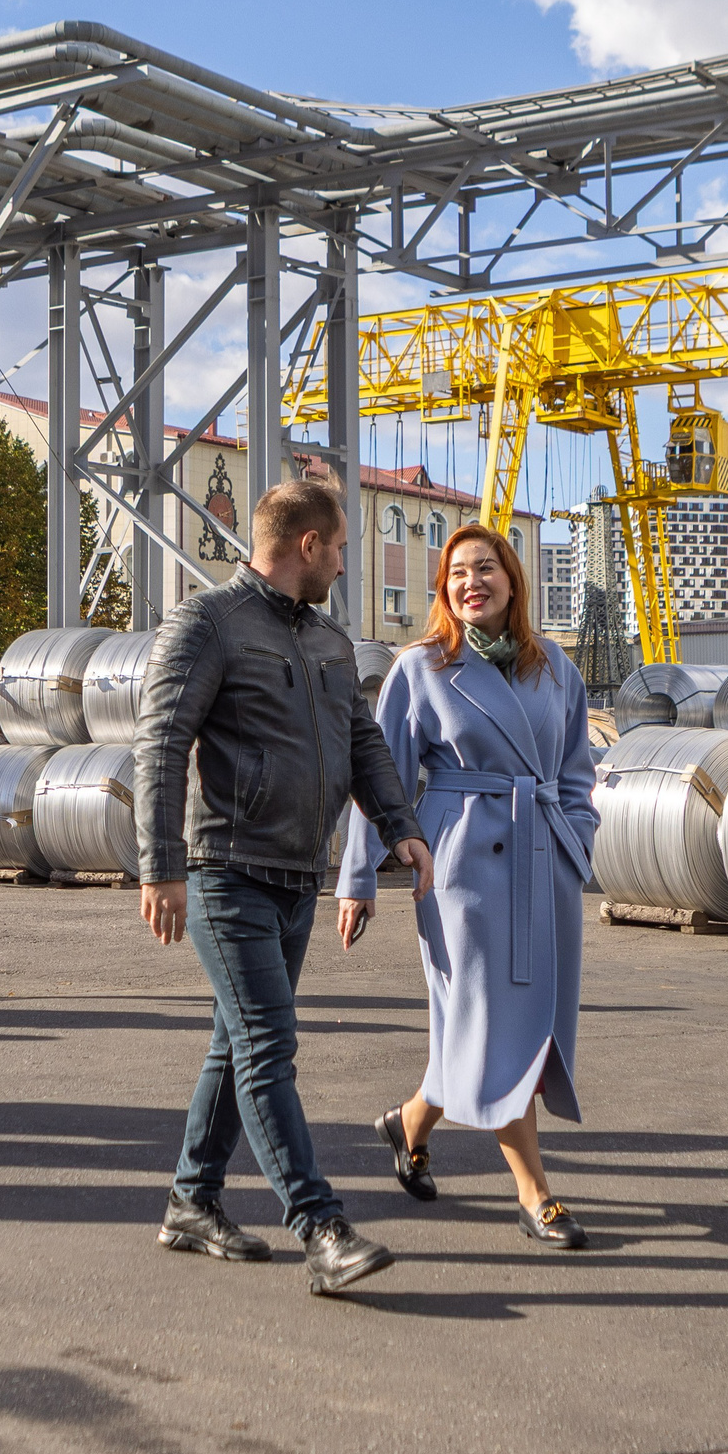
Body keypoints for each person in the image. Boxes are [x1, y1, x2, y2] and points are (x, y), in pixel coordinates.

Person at [135, 476, 435, 1297]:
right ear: (308, 545)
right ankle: (320, 1226)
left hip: (298, 873)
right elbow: (161, 743)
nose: (344, 563)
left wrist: (400, 825)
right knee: (270, 1046)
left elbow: (362, 740)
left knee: (238, 1045)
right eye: (340, 548)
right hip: (226, 870)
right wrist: (160, 866)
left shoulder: (333, 642)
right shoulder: (209, 623)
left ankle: (191, 1201)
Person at [341, 525, 601, 1250]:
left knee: (514, 1024)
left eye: (485, 568)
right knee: (498, 1025)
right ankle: (534, 1192)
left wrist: (578, 837)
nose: (469, 582)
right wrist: (357, 877)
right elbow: (378, 779)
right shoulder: (421, 667)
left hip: (545, 860)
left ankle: (411, 1121)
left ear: (514, 581)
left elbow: (578, 772)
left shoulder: (555, 669)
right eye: (455, 573)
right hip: (462, 870)